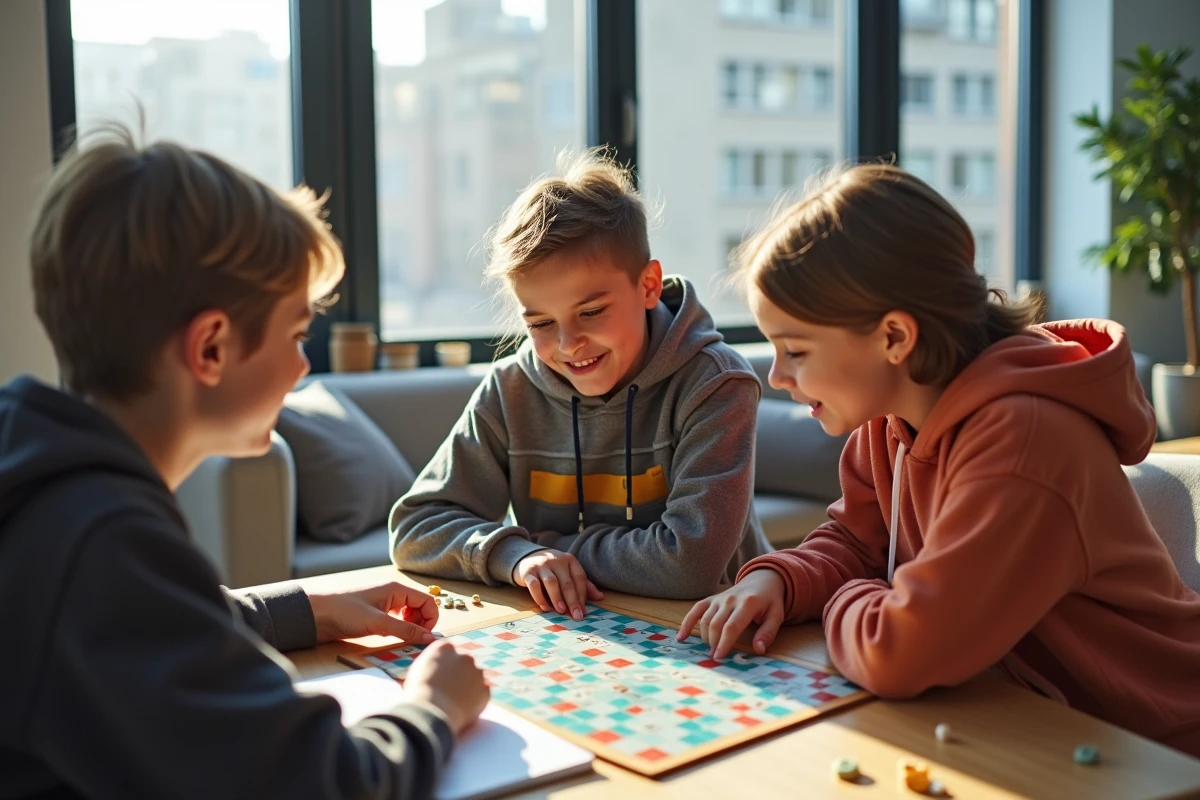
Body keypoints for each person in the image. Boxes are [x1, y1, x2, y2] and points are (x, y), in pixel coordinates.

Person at [0, 122, 489, 798]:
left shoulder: (46, 476)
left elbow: (156, 626)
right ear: (210, 349)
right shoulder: (99, 540)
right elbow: (324, 784)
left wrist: (311, 607)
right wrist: (435, 708)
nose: (304, 365)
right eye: (294, 333)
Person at [679, 163, 1200, 757]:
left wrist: (850, 599)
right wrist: (782, 577)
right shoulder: (889, 425)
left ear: (896, 338)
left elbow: (901, 651)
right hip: (1028, 722)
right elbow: (855, 543)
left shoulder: (1025, 444)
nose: (777, 376)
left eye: (796, 350)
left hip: (1152, 745)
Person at [390, 150, 770, 613]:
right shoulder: (510, 388)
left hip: (716, 631)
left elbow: (690, 564)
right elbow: (414, 530)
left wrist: (551, 547)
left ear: (649, 286)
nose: (568, 344)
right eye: (541, 323)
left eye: (590, 312)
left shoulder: (715, 383)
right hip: (579, 635)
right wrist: (517, 555)